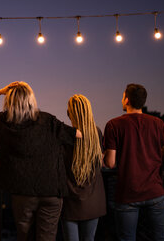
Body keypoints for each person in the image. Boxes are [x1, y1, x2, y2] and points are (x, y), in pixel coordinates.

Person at [0, 81, 82, 241]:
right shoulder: (48, 120)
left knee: (24, 236)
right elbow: (78, 136)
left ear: (10, 101)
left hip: (22, 191)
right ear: (31, 99)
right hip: (51, 189)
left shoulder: (4, 121)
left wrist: (0, 92)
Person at [103, 84, 164, 241]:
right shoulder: (158, 123)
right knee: (161, 238)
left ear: (127, 100)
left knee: (127, 238)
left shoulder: (113, 125)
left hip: (127, 194)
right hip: (154, 192)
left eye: (123, 97)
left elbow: (110, 163)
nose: (122, 100)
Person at [61, 95, 106, 241]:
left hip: (70, 199)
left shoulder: (65, 135)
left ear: (70, 113)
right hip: (93, 199)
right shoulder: (96, 133)